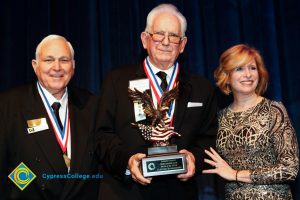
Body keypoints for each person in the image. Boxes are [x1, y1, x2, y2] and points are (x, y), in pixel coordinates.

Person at [96, 3, 218, 200]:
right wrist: (127, 161)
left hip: (180, 193)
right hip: (126, 193)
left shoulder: (202, 88)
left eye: (174, 36)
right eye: (159, 34)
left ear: (183, 44)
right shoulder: (116, 81)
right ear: (145, 39)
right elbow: (102, 135)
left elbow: (209, 138)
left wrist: (194, 158)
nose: (166, 42)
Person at [0, 35, 100, 199]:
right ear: (35, 66)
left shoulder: (91, 104)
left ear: (73, 66)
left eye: (64, 60)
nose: (57, 67)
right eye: (49, 60)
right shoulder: (8, 106)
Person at [202, 44, 299, 199]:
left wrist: (235, 174)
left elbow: (289, 169)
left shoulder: (273, 110)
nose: (248, 74)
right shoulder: (219, 118)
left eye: (252, 68)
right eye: (239, 68)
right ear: (226, 76)